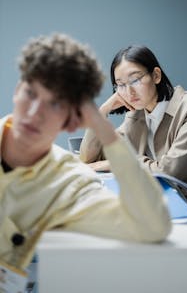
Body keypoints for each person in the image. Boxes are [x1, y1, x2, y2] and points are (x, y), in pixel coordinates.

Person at [0, 35, 171, 277]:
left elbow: (152, 226)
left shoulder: (70, 181)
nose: (35, 113)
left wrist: (104, 129)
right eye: (31, 93)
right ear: (18, 90)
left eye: (55, 104)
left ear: (72, 120)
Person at [80, 44, 187, 293]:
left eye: (135, 79)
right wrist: (103, 111)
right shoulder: (138, 115)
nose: (127, 91)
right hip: (169, 210)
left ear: (156, 76)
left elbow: (170, 171)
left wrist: (120, 161)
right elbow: (89, 158)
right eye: (119, 84)